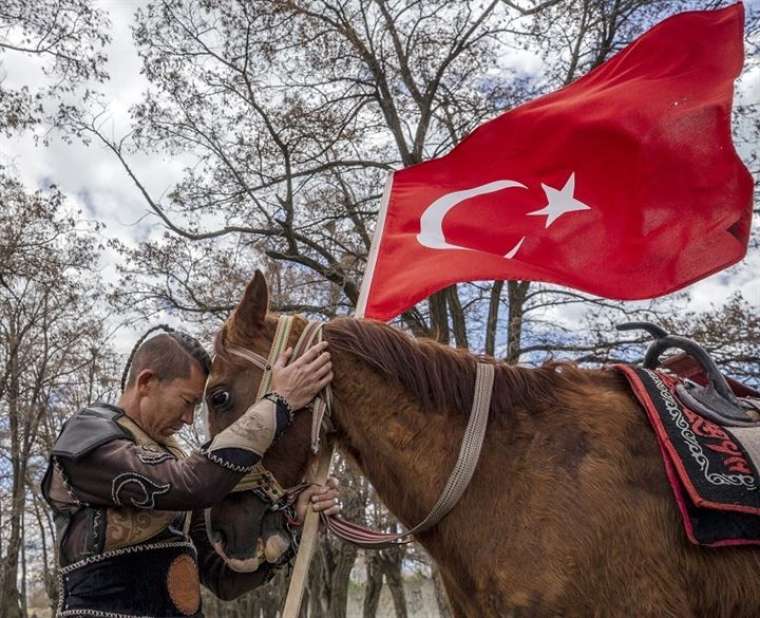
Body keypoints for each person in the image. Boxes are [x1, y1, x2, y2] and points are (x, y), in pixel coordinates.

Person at [42, 325, 338, 617]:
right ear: (146, 382)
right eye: (187, 402)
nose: (188, 419)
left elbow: (224, 580)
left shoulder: (172, 461)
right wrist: (278, 404)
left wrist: (293, 521)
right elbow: (191, 484)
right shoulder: (89, 436)